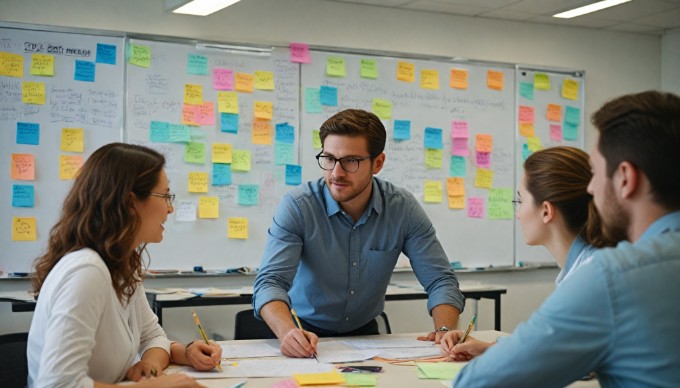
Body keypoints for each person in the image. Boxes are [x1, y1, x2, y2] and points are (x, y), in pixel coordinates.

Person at [442, 91, 680, 387]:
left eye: (596, 172)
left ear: (625, 178)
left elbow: (476, 384)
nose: (590, 188)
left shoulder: (612, 276)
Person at [253, 109, 464, 358]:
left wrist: (444, 329)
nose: (336, 173)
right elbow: (270, 282)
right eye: (329, 158)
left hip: (366, 337)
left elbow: (440, 280)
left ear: (378, 163)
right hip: (301, 332)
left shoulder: (402, 209)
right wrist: (287, 332)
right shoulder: (299, 206)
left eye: (351, 161)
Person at [27, 143, 222, 387]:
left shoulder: (122, 267)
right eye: (165, 196)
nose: (170, 208)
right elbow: (57, 384)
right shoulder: (86, 271)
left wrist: (156, 364)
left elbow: (153, 337)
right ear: (131, 203)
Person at [516, 146, 614, 286]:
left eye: (520, 201)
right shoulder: (589, 262)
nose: (517, 214)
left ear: (546, 211)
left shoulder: (587, 279)